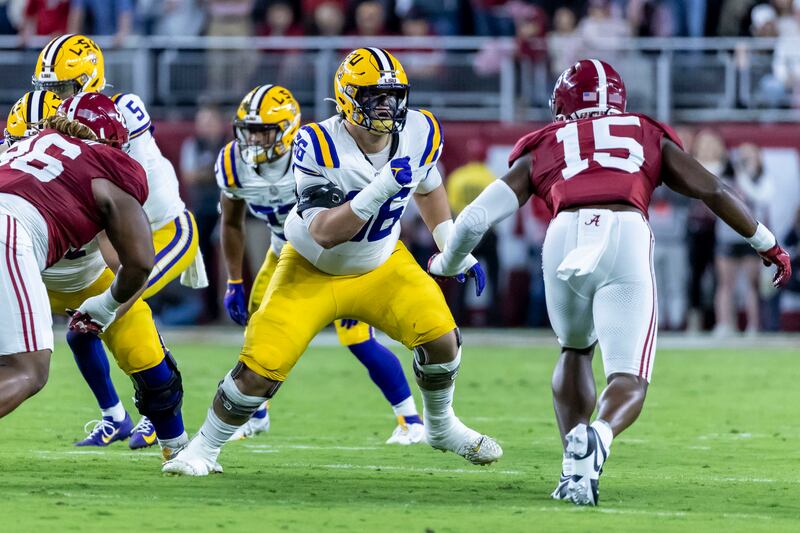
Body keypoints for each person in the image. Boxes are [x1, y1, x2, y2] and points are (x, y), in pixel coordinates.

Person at [429, 59, 792, 506]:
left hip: (563, 236)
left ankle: (574, 468)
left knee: (575, 349)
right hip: (624, 230)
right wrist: (767, 243)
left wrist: (449, 261)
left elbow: (475, 217)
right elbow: (711, 189)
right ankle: (599, 435)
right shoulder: (642, 131)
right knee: (629, 375)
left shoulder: (547, 142)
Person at [163, 47, 502, 476]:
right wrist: (380, 188)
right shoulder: (315, 142)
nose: (386, 106)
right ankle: (204, 449)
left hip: (381, 262)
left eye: (392, 96)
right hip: (311, 268)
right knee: (259, 372)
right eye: (373, 96)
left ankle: (440, 426)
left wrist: (450, 243)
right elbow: (325, 229)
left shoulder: (420, 128)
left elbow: (429, 186)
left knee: (442, 340)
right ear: (346, 98)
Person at [216, 84, 424, 444]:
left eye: (264, 131)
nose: (254, 141)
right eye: (249, 131)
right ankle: (256, 415)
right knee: (260, 333)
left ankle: (410, 420)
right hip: (285, 253)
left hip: (339, 254)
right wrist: (234, 279)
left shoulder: (316, 151)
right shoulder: (234, 163)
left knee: (357, 338)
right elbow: (231, 222)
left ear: (286, 128)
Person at [32, 34, 207, 450]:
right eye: (48, 90)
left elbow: (113, 198)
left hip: (161, 230)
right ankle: (118, 417)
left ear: (89, 81)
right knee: (85, 328)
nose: (53, 99)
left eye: (61, 88)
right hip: (113, 234)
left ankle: (156, 411)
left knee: (117, 310)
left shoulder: (119, 113)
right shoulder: (58, 119)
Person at [0, 93, 151, 422]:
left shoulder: (29, 143)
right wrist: (105, 306)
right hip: (7, 228)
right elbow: (140, 262)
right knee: (29, 370)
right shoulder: (109, 163)